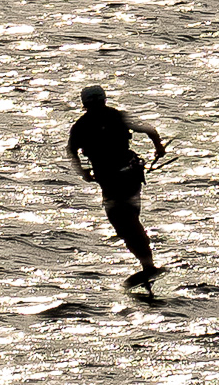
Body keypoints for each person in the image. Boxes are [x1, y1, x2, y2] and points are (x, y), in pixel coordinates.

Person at [65, 85, 166, 282]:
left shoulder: (81, 126)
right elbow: (150, 130)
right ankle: (147, 264)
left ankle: (148, 265)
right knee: (127, 220)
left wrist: (83, 173)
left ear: (84, 104)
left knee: (124, 221)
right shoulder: (117, 116)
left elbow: (72, 151)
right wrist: (159, 148)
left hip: (117, 179)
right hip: (127, 176)